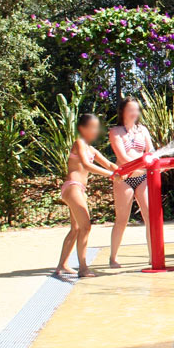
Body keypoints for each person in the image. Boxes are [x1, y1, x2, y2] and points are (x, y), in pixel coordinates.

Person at [54, 113, 119, 279]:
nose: (96, 130)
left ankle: (62, 265)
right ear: (82, 129)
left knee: (76, 228)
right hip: (73, 187)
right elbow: (86, 165)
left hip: (79, 189)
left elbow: (111, 164)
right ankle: (83, 268)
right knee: (86, 226)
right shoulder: (79, 143)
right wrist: (111, 175)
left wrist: (128, 170)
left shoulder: (91, 149)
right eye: (93, 127)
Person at [108, 96, 155, 268]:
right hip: (125, 178)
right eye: (131, 110)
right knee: (122, 219)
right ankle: (113, 257)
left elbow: (150, 152)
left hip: (142, 176)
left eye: (136, 110)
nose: (134, 113)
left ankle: (153, 256)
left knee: (150, 216)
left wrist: (151, 165)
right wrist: (144, 166)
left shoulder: (142, 130)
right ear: (123, 112)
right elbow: (123, 158)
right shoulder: (115, 132)